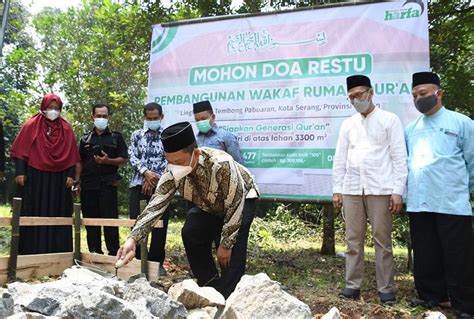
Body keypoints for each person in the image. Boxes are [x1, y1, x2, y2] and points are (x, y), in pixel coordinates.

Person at [117, 121, 259, 299]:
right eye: (170, 162)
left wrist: (226, 243)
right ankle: (210, 286)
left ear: (196, 154)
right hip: (209, 205)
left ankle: (229, 296)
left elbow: (235, 202)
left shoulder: (221, 163)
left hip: (242, 199)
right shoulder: (172, 172)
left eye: (179, 162)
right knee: (191, 231)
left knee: (231, 251)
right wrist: (132, 239)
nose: (174, 167)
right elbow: (155, 206)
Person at [332, 75, 408, 304]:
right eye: (351, 97)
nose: (356, 100)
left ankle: (386, 288)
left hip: (381, 188)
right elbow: (339, 159)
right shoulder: (348, 124)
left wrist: (397, 190)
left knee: (382, 241)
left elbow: (399, 157)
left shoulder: (389, 120)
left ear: (371, 93)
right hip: (352, 189)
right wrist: (337, 189)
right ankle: (352, 286)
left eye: (359, 95)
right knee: (353, 240)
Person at [406, 72, 473, 318]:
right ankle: (430, 296)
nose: (418, 99)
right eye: (414, 95)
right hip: (419, 201)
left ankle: (464, 304)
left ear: (439, 93)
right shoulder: (410, 129)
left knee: (458, 255)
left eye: (423, 94)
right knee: (426, 252)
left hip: (452, 201)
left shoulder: (461, 123)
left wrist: (464, 189)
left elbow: (472, 161)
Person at [11, 93, 80, 254]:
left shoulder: (66, 129)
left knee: (58, 211)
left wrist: (71, 175)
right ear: (44, 107)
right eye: (50, 108)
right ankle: (30, 252)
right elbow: (20, 151)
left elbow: (71, 154)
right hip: (34, 178)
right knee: (33, 209)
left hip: (59, 179)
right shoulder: (31, 125)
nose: (53, 111)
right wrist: (20, 172)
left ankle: (57, 253)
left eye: (56, 108)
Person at [78, 104, 128, 256]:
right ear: (92, 117)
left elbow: (124, 159)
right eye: (98, 115)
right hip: (88, 186)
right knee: (91, 222)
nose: (101, 118)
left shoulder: (116, 137)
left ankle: (113, 254)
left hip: (108, 184)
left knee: (110, 221)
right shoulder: (84, 138)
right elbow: (78, 161)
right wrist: (76, 181)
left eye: (104, 116)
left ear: (108, 117)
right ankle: (95, 253)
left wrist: (108, 161)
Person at [128, 102, 168, 276]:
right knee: (136, 222)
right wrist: (145, 173)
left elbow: (170, 160)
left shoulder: (167, 136)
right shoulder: (137, 135)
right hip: (138, 184)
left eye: (156, 118)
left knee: (159, 224)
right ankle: (135, 261)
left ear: (161, 117)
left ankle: (156, 262)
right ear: (144, 117)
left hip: (161, 186)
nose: (152, 121)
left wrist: (154, 178)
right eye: (149, 118)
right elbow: (132, 155)